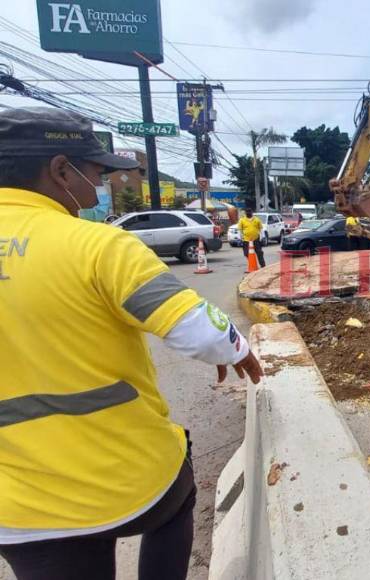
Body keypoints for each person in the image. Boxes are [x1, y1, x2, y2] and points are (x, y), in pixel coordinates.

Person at [0, 107, 263, 580]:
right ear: (61, 170)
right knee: (178, 491)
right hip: (122, 482)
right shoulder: (98, 245)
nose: (99, 187)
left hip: (15, 510)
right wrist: (236, 347)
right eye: (97, 173)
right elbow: (201, 332)